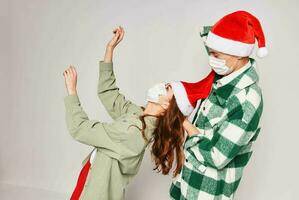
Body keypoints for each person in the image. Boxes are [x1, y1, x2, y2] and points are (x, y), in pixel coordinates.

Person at [62, 26, 216, 200]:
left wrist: (72, 92)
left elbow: (80, 129)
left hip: (95, 191)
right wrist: (110, 49)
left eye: (166, 88)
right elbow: (108, 93)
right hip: (91, 174)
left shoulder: (133, 133)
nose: (160, 85)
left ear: (166, 106)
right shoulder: (138, 114)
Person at [169, 10, 266, 200]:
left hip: (207, 192)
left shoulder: (247, 101)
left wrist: (184, 122)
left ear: (238, 54)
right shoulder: (225, 73)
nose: (211, 59)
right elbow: (216, 40)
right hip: (186, 182)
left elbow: (217, 155)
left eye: (216, 54)